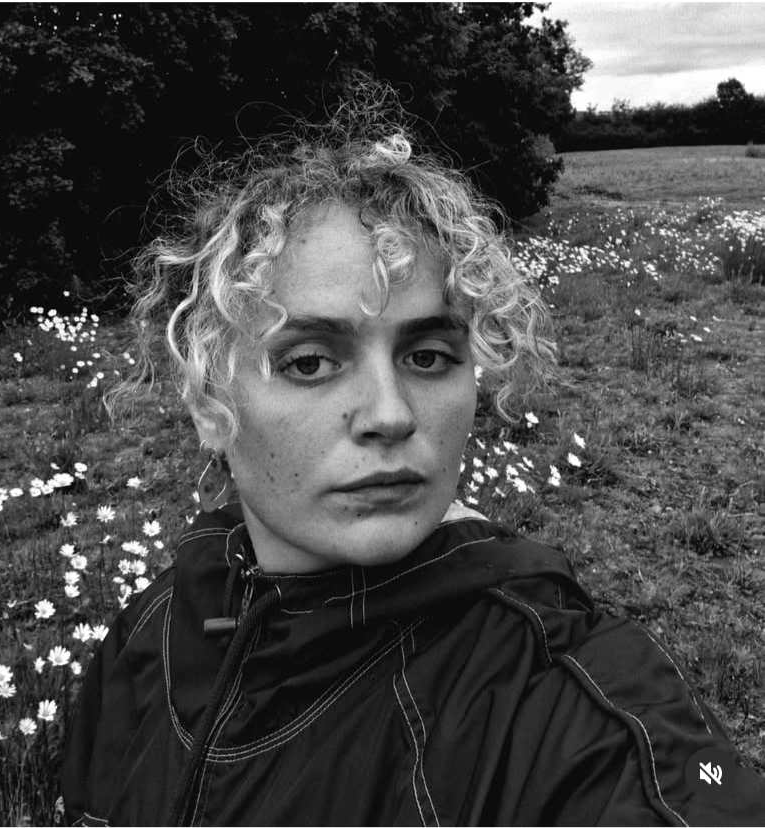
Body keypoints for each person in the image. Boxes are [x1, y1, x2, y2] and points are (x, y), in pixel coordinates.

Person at [61, 88, 765, 827]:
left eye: (428, 355)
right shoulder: (149, 638)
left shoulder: (565, 707)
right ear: (209, 401)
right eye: (309, 363)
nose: (391, 414)